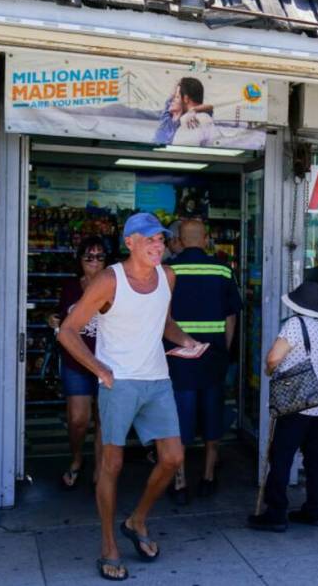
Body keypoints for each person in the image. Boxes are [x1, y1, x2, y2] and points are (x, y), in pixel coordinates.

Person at [58, 212, 204, 582]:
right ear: (130, 243)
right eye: (151, 239)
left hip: (157, 379)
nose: (159, 246)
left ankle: (136, 520)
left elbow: (163, 321)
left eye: (162, 240)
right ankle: (108, 545)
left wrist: (186, 340)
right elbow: (68, 331)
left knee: (173, 458)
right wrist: (99, 369)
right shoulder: (109, 280)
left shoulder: (168, 277)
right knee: (112, 465)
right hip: (119, 383)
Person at [165, 219, 241, 504]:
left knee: (180, 418)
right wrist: (224, 349)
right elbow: (231, 316)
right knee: (212, 414)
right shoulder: (222, 269)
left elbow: (161, 317)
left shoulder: (168, 271)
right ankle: (208, 476)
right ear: (207, 239)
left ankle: (180, 481)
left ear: (179, 241)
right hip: (213, 357)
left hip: (178, 358)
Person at [248, 282, 318, 532]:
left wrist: (268, 369)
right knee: (315, 459)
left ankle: (276, 513)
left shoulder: (295, 325)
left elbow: (274, 357)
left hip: (295, 400)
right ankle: (314, 509)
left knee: (281, 456)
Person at [48, 236, 108, 489]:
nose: (94, 262)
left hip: (107, 361)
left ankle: (101, 469)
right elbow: (61, 316)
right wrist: (54, 321)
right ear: (80, 261)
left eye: (100, 257)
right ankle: (76, 459)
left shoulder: (115, 286)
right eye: (89, 257)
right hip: (76, 361)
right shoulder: (71, 287)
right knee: (78, 419)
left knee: (104, 419)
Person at [153, 78, 213, 145]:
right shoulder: (166, 118)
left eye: (177, 97)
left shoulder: (188, 120)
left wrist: (193, 110)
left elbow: (210, 107)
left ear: (185, 99)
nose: (172, 100)